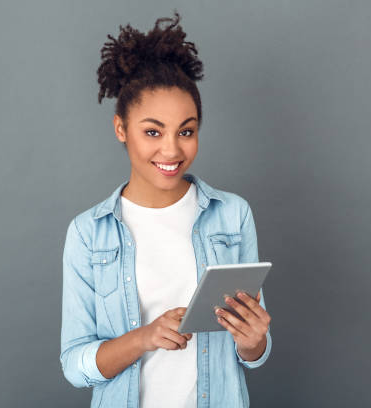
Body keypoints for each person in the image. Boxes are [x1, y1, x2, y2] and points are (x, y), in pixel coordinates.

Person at [59, 11, 272, 408]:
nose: (172, 150)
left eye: (186, 131)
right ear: (121, 129)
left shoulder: (233, 216)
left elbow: (253, 356)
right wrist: (144, 337)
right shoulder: (89, 233)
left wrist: (254, 342)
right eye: (152, 131)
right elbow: (74, 364)